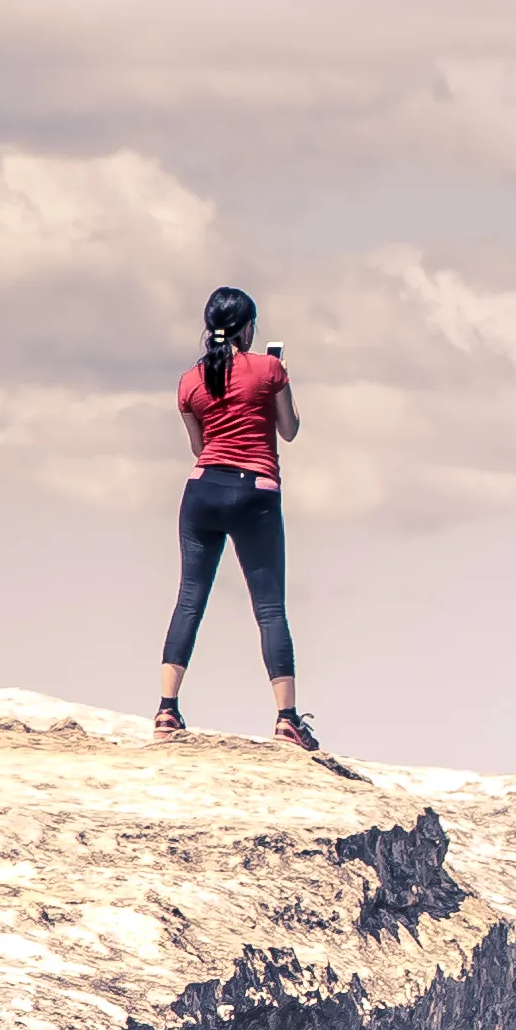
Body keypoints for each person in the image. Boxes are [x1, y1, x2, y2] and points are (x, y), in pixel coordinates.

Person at [153, 285, 320, 751]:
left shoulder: (189, 382)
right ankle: (287, 719)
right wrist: (281, 380)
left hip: (202, 490)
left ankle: (167, 709)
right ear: (249, 328)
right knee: (269, 608)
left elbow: (198, 446)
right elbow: (289, 431)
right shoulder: (269, 370)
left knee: (190, 598)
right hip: (255, 494)